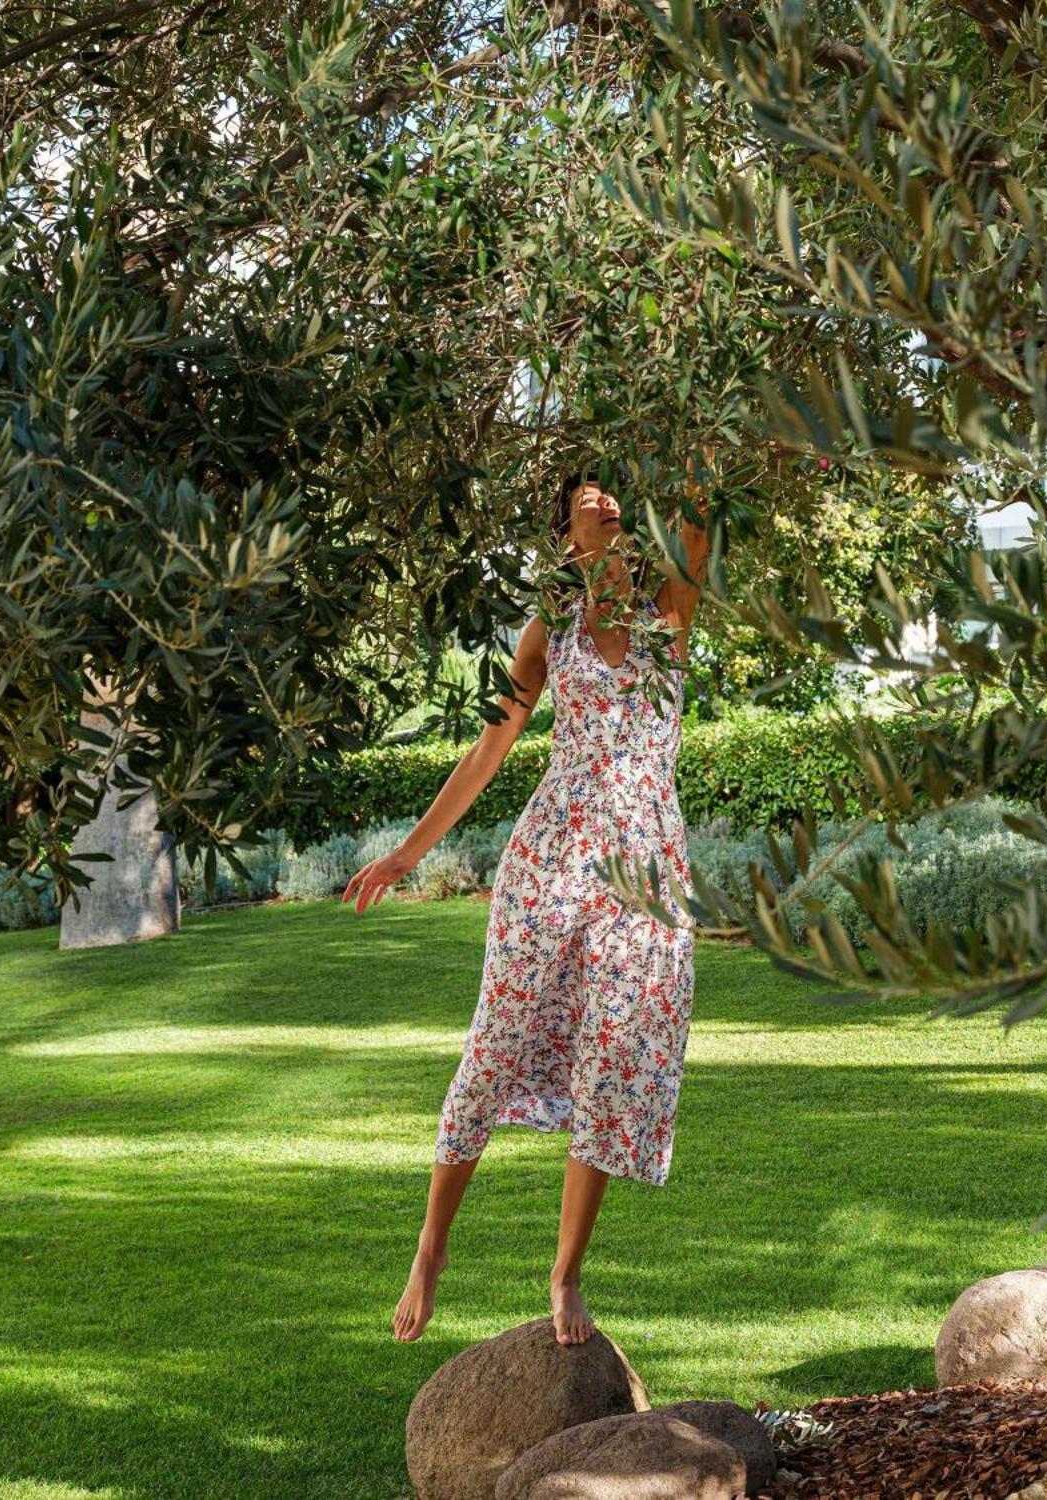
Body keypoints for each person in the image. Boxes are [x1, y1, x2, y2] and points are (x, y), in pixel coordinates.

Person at [343, 468, 709, 1346]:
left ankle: (565, 1274)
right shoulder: (550, 625)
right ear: (565, 527)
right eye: (587, 495)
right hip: (552, 855)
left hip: (644, 867)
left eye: (614, 492)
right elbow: (492, 745)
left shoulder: (671, 610)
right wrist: (405, 853)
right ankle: (431, 1249)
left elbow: (703, 505)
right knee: (496, 1043)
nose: (606, 501)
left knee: (615, 1058)